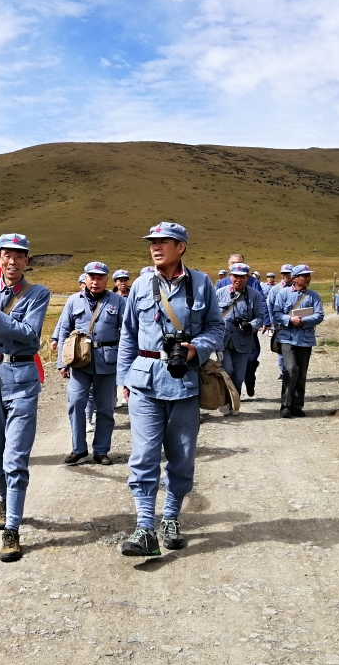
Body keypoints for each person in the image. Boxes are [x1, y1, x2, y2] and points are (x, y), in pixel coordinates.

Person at [116, 221, 224, 557]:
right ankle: (145, 527)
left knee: (181, 458)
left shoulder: (202, 284)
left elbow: (217, 329)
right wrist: (123, 378)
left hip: (185, 384)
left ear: (182, 247)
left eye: (165, 242)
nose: (156, 247)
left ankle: (171, 518)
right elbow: (128, 335)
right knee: (144, 457)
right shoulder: (141, 284)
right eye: (152, 242)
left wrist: (197, 348)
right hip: (145, 381)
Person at [0, 233, 51, 562]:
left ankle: (12, 529)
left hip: (21, 382)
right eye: (7, 255)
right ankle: (4, 500)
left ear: (26, 260)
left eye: (20, 256)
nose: (13, 261)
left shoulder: (38, 294)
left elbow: (29, 335)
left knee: (15, 461)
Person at [55, 261, 123, 465]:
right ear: (85, 279)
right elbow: (64, 331)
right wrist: (62, 362)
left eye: (100, 277)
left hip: (108, 361)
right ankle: (78, 449)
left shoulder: (118, 302)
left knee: (105, 408)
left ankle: (101, 450)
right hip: (79, 361)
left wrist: (126, 364)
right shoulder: (73, 301)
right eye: (91, 277)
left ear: (106, 280)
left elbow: (128, 333)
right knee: (75, 403)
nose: (95, 281)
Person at [269, 264, 324, 419]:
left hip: (305, 340)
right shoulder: (283, 294)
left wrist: (303, 321)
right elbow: (277, 313)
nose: (308, 278)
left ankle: (297, 406)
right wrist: (290, 319)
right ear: (295, 277)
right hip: (287, 338)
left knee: (301, 373)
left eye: (309, 275)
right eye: (304, 275)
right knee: (291, 369)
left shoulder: (314, 296)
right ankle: (285, 405)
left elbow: (319, 315)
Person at [214, 262, 265, 414]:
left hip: (243, 341)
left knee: (238, 375)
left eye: (242, 277)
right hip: (223, 340)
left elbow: (260, 316)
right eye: (235, 276)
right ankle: (224, 400)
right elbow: (212, 317)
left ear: (247, 278)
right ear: (230, 277)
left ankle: (235, 401)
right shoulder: (219, 293)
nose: (239, 280)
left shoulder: (254, 295)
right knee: (226, 369)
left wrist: (251, 325)